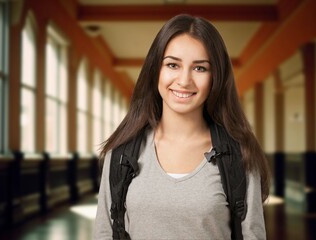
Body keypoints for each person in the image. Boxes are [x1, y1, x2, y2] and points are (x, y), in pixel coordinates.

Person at [94, 14, 270, 240]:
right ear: (155, 70)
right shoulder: (121, 154)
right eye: (172, 64)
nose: (184, 80)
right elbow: (104, 234)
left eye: (200, 68)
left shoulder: (239, 155)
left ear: (216, 77)